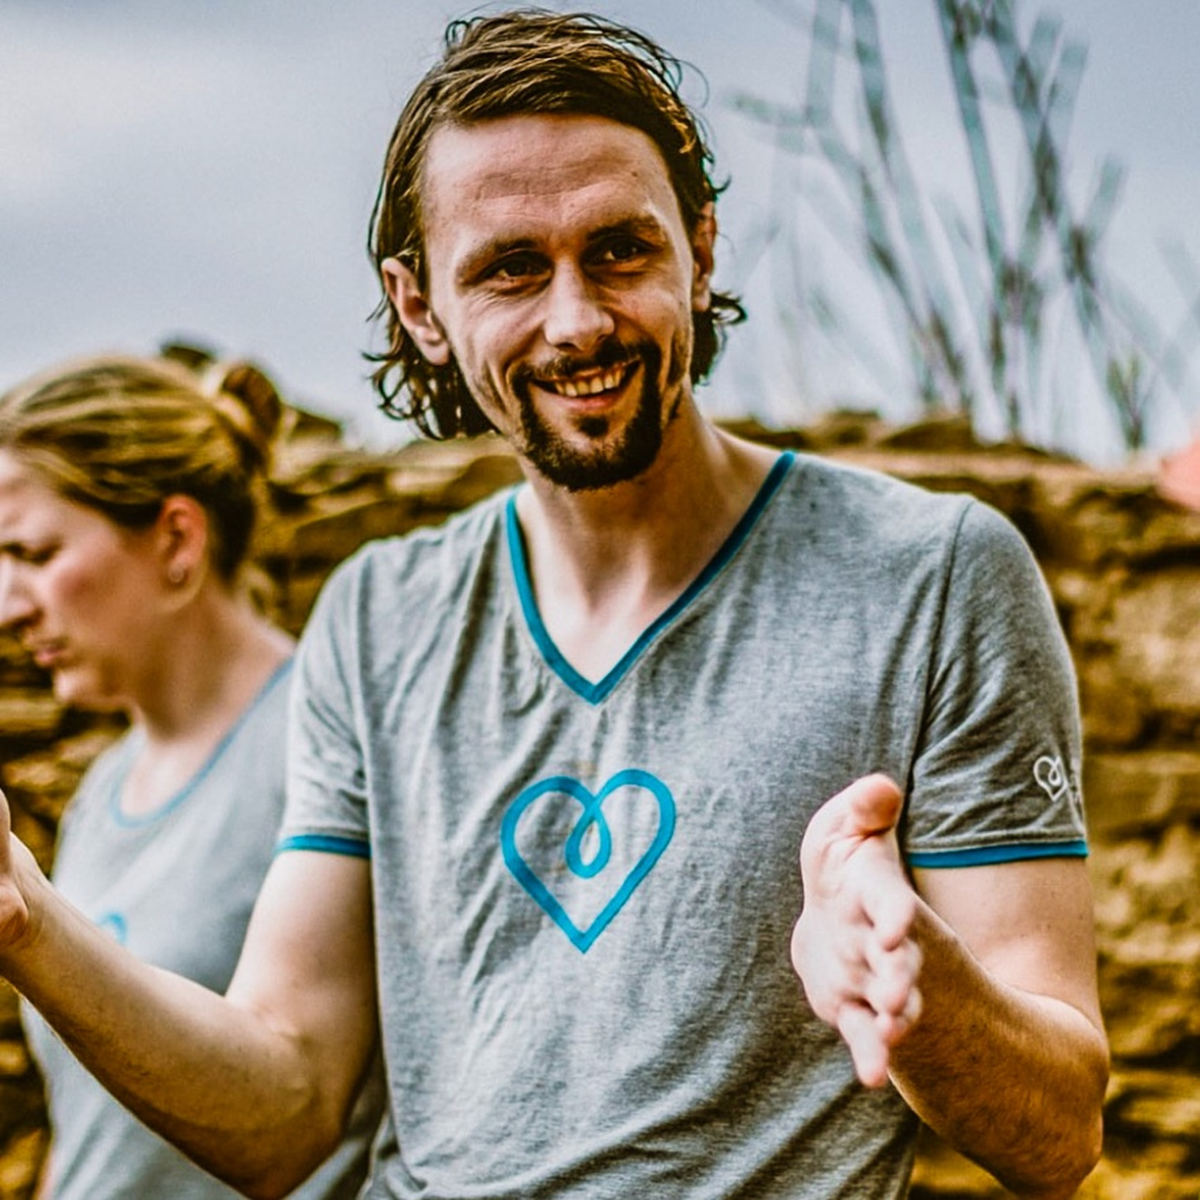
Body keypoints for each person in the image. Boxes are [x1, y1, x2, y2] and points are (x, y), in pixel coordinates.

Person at [0, 11, 1108, 1199]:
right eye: (512, 268)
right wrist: (23, 921)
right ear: (420, 304)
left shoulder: (933, 577)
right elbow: (285, 1106)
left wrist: (925, 998)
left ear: (703, 246)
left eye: (622, 251)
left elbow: (1060, 1132)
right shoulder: (377, 618)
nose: (578, 320)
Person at [0, 353, 381, 1199]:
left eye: (34, 552)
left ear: (176, 537)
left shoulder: (326, 743)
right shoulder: (101, 792)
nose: (8, 604)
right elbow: (94, 1131)